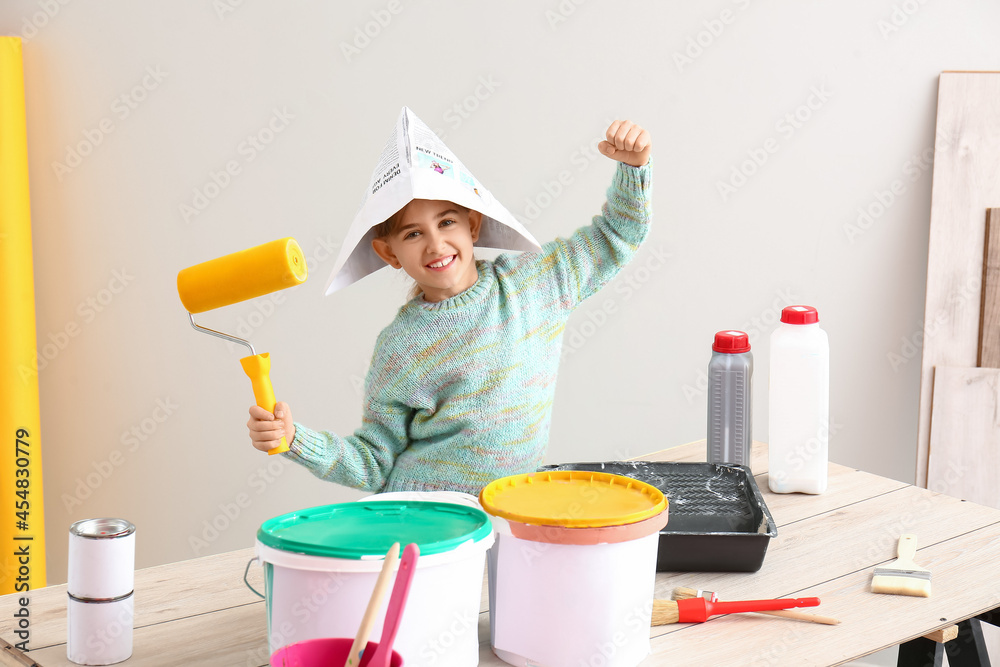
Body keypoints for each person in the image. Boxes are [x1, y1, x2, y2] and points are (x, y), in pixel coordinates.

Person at [247, 119, 654, 494]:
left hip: (506, 511)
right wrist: (295, 439)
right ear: (388, 253)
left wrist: (634, 167)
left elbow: (618, 234)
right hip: (423, 523)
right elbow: (373, 462)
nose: (436, 245)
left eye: (446, 223)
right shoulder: (401, 346)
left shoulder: (536, 284)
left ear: (472, 225)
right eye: (412, 234)